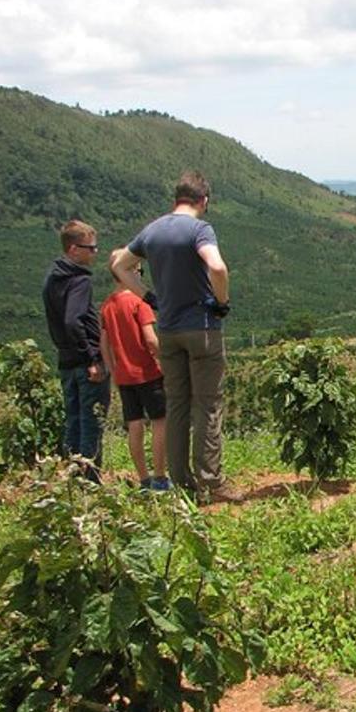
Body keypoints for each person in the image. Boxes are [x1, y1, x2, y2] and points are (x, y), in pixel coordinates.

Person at [109, 171, 241, 503]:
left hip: (167, 330)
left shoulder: (152, 230)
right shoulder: (200, 229)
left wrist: (148, 296)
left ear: (176, 200)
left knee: (178, 405)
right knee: (208, 405)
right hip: (202, 328)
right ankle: (211, 482)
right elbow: (218, 267)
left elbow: (121, 266)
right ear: (204, 201)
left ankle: (181, 483)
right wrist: (221, 303)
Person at [42, 219, 110, 481]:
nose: (95, 252)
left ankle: (71, 477)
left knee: (73, 420)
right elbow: (73, 319)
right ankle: (89, 481)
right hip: (85, 362)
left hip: (66, 360)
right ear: (73, 249)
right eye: (90, 248)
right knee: (91, 421)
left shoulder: (52, 278)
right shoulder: (79, 280)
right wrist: (92, 357)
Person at [100, 262, 170, 491]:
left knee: (135, 425)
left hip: (124, 376)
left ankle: (143, 479)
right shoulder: (140, 303)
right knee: (160, 421)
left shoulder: (107, 306)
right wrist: (164, 360)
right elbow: (150, 339)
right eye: (139, 272)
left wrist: (114, 371)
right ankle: (160, 477)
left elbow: (105, 344)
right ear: (128, 274)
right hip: (148, 372)